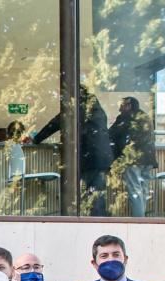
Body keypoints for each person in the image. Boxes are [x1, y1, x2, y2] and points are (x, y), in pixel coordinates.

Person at [29, 86, 113, 216]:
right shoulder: (96, 107)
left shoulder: (77, 106)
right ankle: (97, 221)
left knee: (82, 193)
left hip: (89, 156)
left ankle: (85, 220)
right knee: (96, 193)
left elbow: (56, 122)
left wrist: (36, 139)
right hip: (102, 156)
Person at [109, 97, 157, 218]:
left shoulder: (125, 118)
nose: (119, 107)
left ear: (129, 106)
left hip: (133, 159)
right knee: (143, 190)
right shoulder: (145, 117)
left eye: (122, 105)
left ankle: (139, 220)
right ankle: (142, 218)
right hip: (148, 159)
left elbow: (111, 134)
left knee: (135, 190)